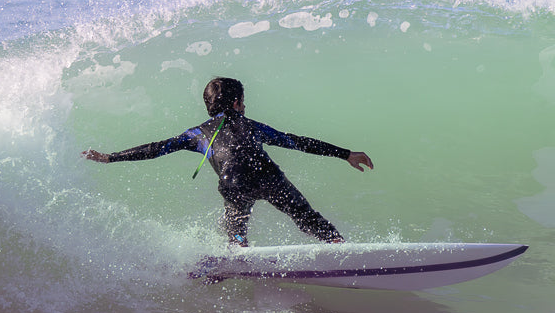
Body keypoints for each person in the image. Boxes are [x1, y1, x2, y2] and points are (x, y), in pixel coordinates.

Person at [83, 77, 373, 246]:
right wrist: (345, 153)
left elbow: (157, 148)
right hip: (268, 179)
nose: (244, 105)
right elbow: (295, 141)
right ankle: (337, 246)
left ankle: (237, 249)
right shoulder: (253, 126)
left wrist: (110, 157)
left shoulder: (196, 135)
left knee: (236, 227)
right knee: (307, 219)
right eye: (243, 101)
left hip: (233, 186)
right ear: (236, 104)